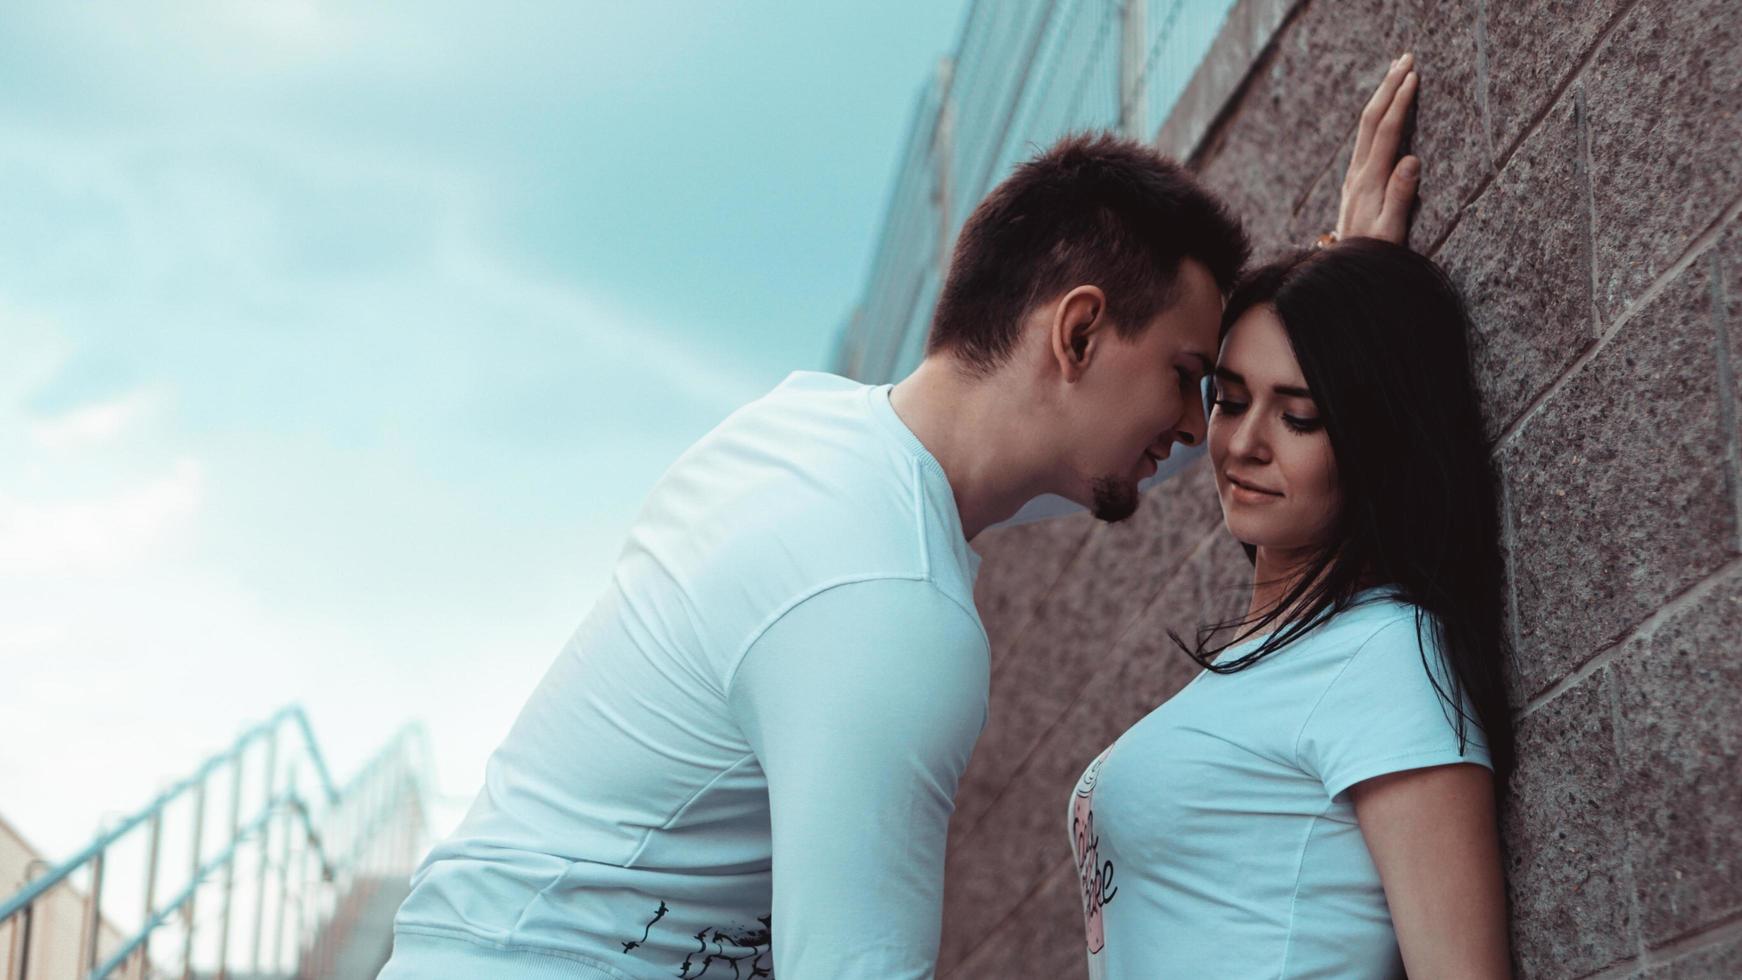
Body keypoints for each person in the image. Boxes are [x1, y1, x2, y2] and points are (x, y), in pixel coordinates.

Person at [379, 55, 1425, 980]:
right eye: (1190, 380)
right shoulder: (885, 599)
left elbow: (1129, 452)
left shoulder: (807, 438)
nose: (1200, 431)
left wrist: (1332, 331)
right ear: (1077, 331)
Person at [1065, 242, 1516, 975]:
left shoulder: (1384, 655)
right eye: (1231, 401)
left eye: (1298, 418)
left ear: (1377, 438)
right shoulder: (1278, 660)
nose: (1244, 444)